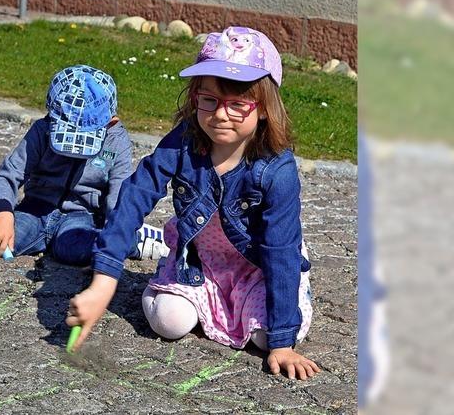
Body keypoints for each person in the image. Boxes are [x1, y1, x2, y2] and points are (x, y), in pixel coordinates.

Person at [66, 28, 321, 380]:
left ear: (263, 109)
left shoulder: (276, 170)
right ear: (195, 97)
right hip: (202, 261)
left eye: (238, 104)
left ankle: (275, 306)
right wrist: (104, 281)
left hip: (257, 266)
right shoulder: (185, 140)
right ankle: (200, 299)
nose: (220, 115)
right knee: (168, 321)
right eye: (209, 100)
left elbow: (280, 249)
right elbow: (137, 193)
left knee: (266, 338)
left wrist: (282, 343)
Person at [0, 65, 169, 266]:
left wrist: (116, 232)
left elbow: (118, 193)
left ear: (111, 122)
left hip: (81, 216)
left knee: (78, 251)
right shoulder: (41, 131)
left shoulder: (116, 141)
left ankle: (136, 239)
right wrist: (3, 215)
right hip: (35, 209)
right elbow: (8, 175)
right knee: (0, 244)